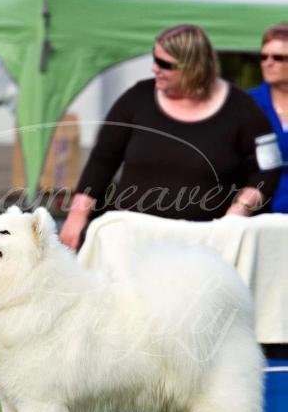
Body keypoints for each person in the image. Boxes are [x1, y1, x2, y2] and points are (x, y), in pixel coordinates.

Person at [60, 24, 281, 251]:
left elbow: (268, 170)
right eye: (155, 59)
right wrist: (76, 216)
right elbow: (101, 161)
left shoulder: (242, 109)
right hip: (135, 241)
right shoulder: (137, 99)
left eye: (165, 64)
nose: (155, 68)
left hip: (206, 246)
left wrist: (239, 211)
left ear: (195, 67)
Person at [249, 22, 288, 213]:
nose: (268, 62)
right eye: (263, 56)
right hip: (258, 216)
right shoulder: (245, 104)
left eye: (278, 57)